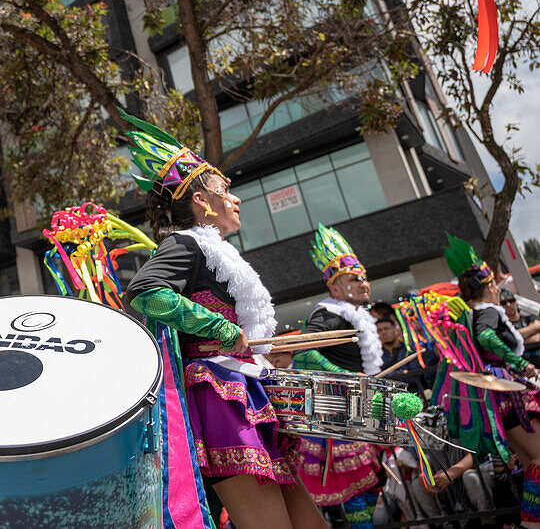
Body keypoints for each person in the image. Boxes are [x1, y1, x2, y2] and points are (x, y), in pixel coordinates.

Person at [120, 114, 325, 529]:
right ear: (200, 200)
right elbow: (145, 292)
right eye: (224, 189)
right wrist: (224, 330)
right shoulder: (185, 244)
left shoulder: (216, 253)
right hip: (220, 400)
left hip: (243, 393)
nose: (236, 198)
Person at [435, 234, 540, 528]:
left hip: (498, 393)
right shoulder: (489, 312)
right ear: (490, 285)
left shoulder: (470, 315)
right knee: (539, 458)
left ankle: (530, 522)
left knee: (531, 461)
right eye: (494, 284)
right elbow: (485, 337)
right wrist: (520, 362)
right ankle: (532, 522)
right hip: (508, 392)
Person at [292, 224, 384, 529]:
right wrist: (345, 375)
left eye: (365, 277)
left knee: (375, 479)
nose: (364, 284)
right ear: (334, 289)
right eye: (354, 279)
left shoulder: (353, 316)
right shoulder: (326, 315)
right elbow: (303, 353)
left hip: (363, 405)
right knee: (357, 483)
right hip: (341, 410)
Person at [378, 317, 431, 393]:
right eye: (379, 330)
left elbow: (413, 377)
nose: (383, 332)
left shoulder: (409, 350)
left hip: (412, 394)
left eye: (386, 329)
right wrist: (401, 372)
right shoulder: (378, 355)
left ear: (396, 330)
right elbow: (377, 377)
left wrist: (385, 374)